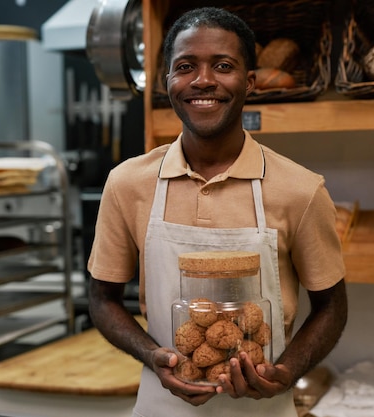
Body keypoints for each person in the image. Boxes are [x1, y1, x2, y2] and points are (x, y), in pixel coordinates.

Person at [87, 6, 348, 417]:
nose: (203, 80)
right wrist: (151, 355)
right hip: (162, 403)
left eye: (222, 66)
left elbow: (332, 306)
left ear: (249, 82)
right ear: (168, 81)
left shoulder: (301, 190)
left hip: (263, 407)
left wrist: (287, 371)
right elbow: (102, 299)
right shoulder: (127, 184)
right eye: (186, 66)